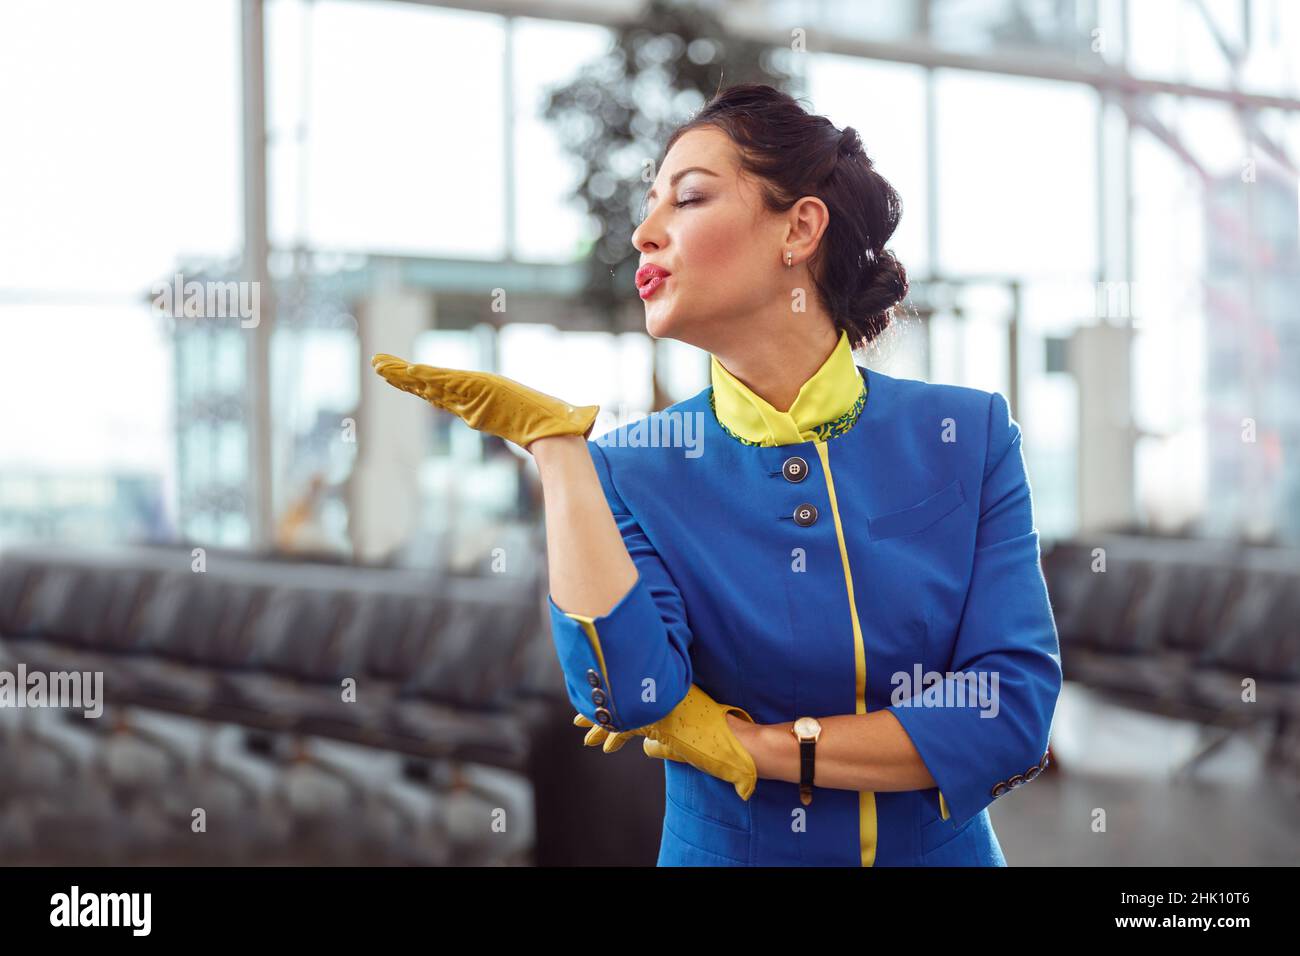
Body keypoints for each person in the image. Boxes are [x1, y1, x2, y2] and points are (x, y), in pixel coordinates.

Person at [371, 83, 1062, 866]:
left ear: (799, 229)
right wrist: (559, 455)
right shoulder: (629, 470)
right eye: (648, 204)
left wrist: (758, 748)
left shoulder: (966, 436)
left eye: (688, 198)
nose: (643, 233)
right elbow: (631, 695)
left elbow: (1010, 712)